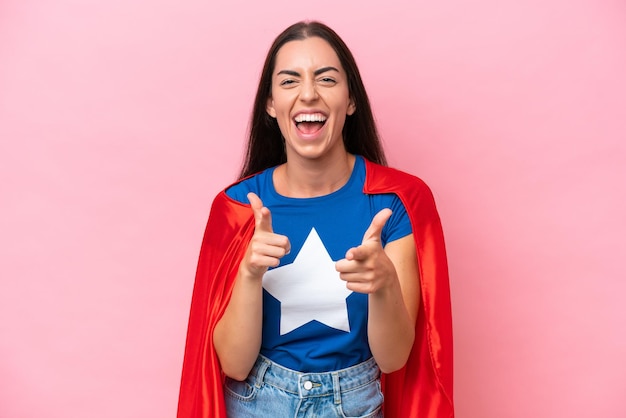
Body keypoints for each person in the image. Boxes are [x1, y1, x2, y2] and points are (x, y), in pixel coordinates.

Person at [177, 20, 454, 418]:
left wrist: (384, 284)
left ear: (351, 100)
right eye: (289, 81)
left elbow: (394, 360)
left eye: (326, 79)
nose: (308, 94)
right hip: (256, 403)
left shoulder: (398, 202)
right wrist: (250, 274)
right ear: (270, 105)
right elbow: (233, 366)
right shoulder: (237, 208)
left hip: (356, 405)